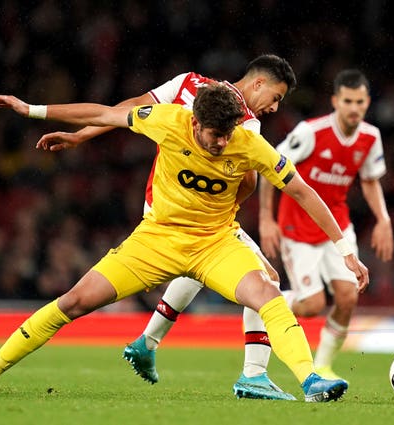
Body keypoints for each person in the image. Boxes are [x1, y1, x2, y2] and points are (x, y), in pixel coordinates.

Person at [0, 84, 369, 403]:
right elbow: (105, 113)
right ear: (195, 122)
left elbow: (303, 192)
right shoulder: (166, 120)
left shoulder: (249, 143)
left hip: (215, 244)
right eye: (214, 135)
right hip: (155, 241)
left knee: (268, 296)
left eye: (228, 135)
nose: (222, 144)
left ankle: (310, 380)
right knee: (73, 302)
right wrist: (31, 109)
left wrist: (345, 250)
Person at [37, 55, 300, 400]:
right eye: (277, 97)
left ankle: (148, 342)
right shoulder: (244, 125)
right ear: (258, 84)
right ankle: (253, 374)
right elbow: (248, 181)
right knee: (265, 279)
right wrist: (230, 210)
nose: (275, 107)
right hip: (193, 212)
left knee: (195, 263)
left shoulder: (188, 82)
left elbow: (129, 109)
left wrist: (81, 136)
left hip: (158, 200)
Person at [259, 69, 394, 381]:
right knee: (311, 306)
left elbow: (370, 181)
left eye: (359, 102)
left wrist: (383, 219)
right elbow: (270, 166)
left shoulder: (370, 137)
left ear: (367, 102)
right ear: (335, 101)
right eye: (347, 101)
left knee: (348, 297)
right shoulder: (310, 132)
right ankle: (266, 299)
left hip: (337, 226)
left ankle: (322, 366)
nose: (353, 108)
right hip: (297, 228)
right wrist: (266, 219)